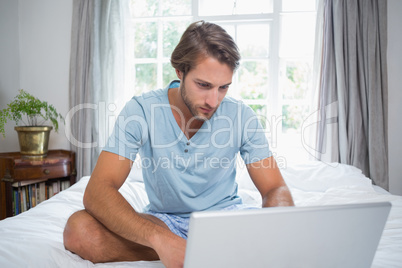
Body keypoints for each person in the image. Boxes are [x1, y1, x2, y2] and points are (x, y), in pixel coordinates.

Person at [63, 21, 294, 268]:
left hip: (226, 221)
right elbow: (98, 192)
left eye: (223, 88)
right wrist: (161, 240)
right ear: (180, 72)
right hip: (165, 222)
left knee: (289, 230)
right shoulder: (140, 110)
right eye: (203, 85)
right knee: (79, 230)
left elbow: (274, 188)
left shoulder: (241, 115)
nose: (213, 100)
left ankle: (203, 249)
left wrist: (278, 226)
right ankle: (198, 250)